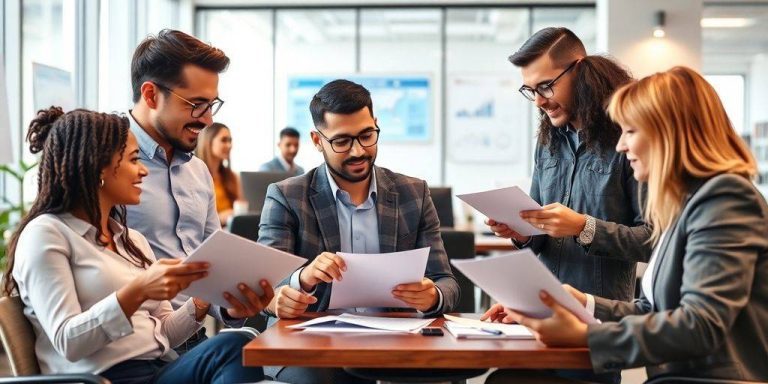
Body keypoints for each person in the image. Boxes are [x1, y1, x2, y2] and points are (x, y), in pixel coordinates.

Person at [483, 67, 768, 383]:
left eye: (630, 131)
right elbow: (653, 311)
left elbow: (700, 325)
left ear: (669, 133)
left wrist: (586, 337)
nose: (620, 146)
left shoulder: (725, 197)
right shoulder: (685, 205)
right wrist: (579, 302)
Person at [2, 107, 272, 383]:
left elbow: (165, 332)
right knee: (231, 348)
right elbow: (67, 341)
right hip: (102, 379)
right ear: (98, 166)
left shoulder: (132, 241)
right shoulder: (46, 234)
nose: (143, 171)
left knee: (239, 342)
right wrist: (139, 290)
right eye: (133, 159)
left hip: (155, 370)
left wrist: (203, 301)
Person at [258, 79, 460, 384]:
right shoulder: (287, 196)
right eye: (342, 141)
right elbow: (265, 287)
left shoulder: (413, 193)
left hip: (397, 340)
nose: (358, 151)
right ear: (317, 140)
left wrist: (432, 296)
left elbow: (447, 283)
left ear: (376, 125)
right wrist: (301, 280)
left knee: (443, 376)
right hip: (312, 344)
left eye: (367, 135)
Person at [484, 27, 652, 384]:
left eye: (546, 87)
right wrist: (522, 232)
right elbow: (540, 231)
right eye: (531, 91)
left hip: (593, 325)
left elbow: (653, 240)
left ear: (580, 71)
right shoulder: (547, 142)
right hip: (538, 314)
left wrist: (583, 227)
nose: (539, 101)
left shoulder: (627, 142)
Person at [124, 29, 271, 352]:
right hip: (133, 345)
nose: (206, 120)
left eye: (212, 104)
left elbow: (212, 270)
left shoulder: (198, 171)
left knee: (251, 352)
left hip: (191, 336)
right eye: (196, 104)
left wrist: (230, 306)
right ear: (150, 95)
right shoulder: (106, 162)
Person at [196, 122, 243, 226]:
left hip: (230, 230)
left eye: (230, 140)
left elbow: (240, 207)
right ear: (208, 141)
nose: (229, 145)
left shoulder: (232, 176)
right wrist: (220, 218)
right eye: (224, 140)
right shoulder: (195, 175)